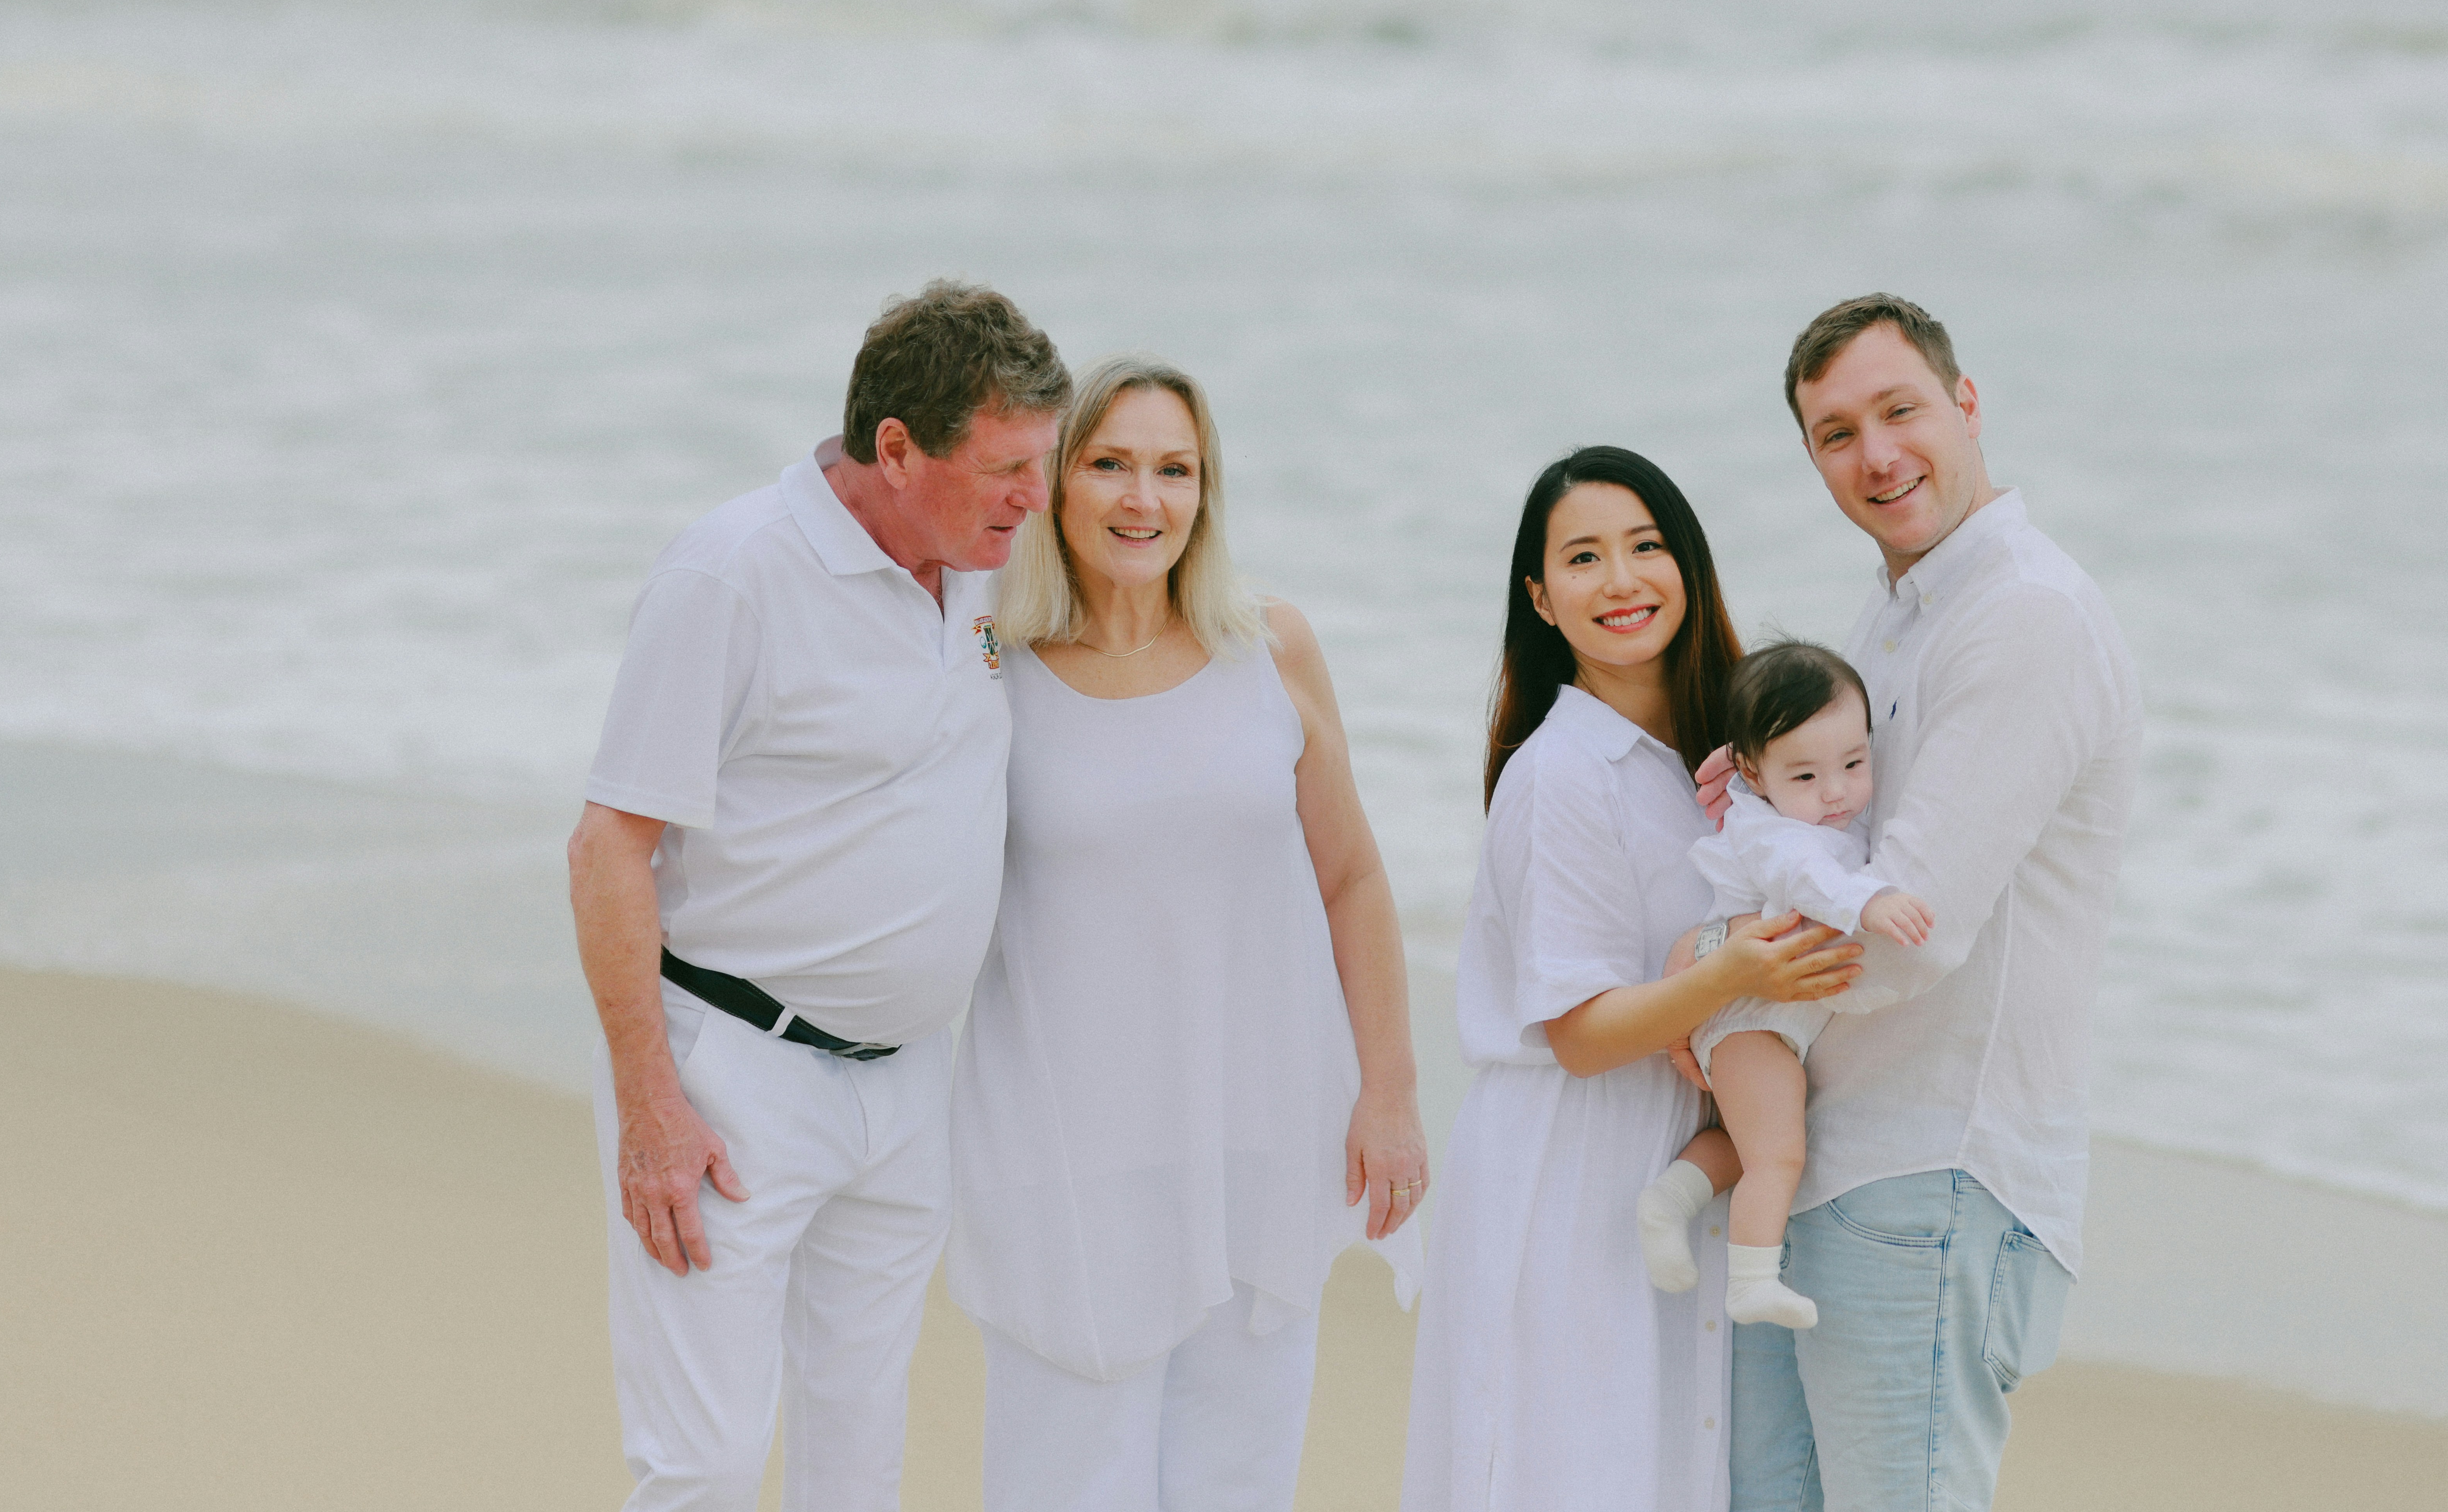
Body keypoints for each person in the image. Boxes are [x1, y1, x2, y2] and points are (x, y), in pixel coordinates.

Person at [567, 280, 1070, 1512]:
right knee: (709, 1465)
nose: (1036, 498)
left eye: (1043, 465)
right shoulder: (734, 574)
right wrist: (652, 1107)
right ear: (896, 449)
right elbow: (605, 849)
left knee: (859, 1465)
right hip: (730, 1080)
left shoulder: (986, 576)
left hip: (905, 1087)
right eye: (1007, 466)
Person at [948, 355, 1429, 1512]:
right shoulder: (989, 664)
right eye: (1111, 464)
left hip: (1260, 1136)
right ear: (1058, 483)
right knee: (1061, 1484)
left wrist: (1392, 1094)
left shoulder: (1271, 647)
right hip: (1068, 1152)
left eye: (1175, 470)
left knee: (1239, 1482)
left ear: (1206, 493)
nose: (1142, 499)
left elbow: (1353, 877)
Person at [1705, 295, 2142, 1512]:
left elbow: (1912, 933)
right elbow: (1833, 840)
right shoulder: (1901, 614)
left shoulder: (2022, 617)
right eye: (1836, 433)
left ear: (1966, 404)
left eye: (1899, 411)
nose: (1877, 455)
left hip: (1936, 1172)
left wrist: (1712, 988)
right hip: (1835, 1162)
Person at [1400, 447, 1863, 1512]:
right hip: (1568, 1165)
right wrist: (1739, 973)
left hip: (1674, 1161)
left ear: (1688, 565)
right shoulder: (1560, 774)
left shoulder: (1726, 756)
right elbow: (1578, 1032)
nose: (1622, 581)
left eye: (1647, 547)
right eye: (1584, 558)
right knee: (1565, 1470)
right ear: (1541, 597)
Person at [1636, 642, 1929, 1331]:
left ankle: (1669, 1201)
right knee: (1780, 1152)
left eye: (1855, 765)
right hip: (1745, 1008)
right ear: (1751, 772)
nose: (1836, 793)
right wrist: (1872, 901)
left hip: (1766, 1010)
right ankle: (1752, 1283)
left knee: (1753, 1142)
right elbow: (1807, 880)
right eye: (1805, 776)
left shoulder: (1807, 809)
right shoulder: (1774, 835)